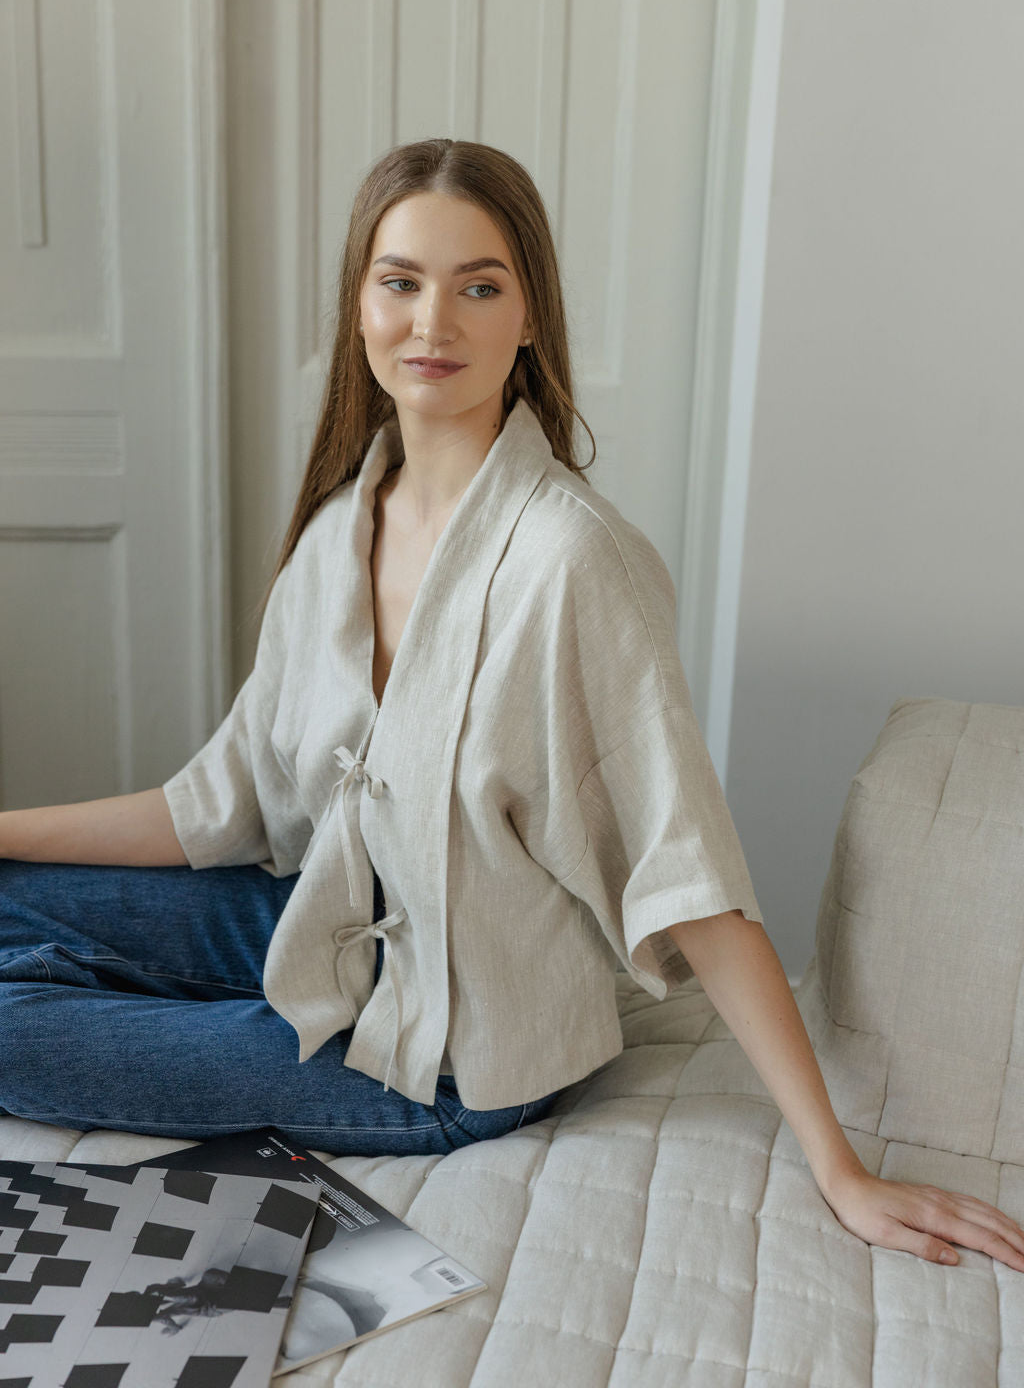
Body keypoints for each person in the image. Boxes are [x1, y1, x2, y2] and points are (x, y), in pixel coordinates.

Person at [2, 138, 1022, 1277]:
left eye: (478, 285)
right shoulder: (344, 525)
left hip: (444, 1058)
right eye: (400, 281)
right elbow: (222, 805)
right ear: (360, 305)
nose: (432, 321)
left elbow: (693, 880)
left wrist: (839, 1166)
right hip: (322, 922)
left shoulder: (576, 563)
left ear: (528, 316)